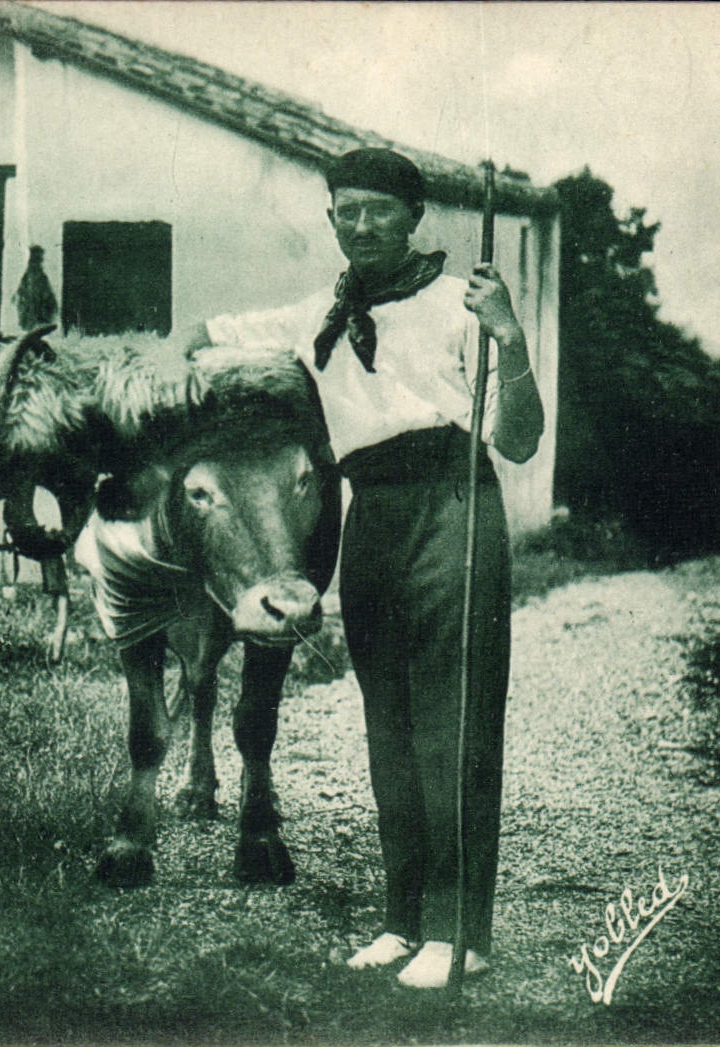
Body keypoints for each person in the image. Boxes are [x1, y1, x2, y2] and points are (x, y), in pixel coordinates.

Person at [179, 148, 544, 989]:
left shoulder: (463, 302)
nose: (363, 223)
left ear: (415, 218)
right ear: (331, 219)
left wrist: (510, 335)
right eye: (347, 209)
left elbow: (519, 438)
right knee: (387, 725)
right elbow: (208, 336)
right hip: (369, 515)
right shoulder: (320, 313)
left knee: (451, 723)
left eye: (382, 209)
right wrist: (169, 368)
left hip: (454, 503)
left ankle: (461, 933)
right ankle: (403, 920)